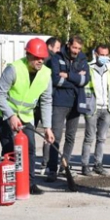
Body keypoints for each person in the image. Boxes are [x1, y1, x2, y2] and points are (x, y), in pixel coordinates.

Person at [0, 38, 55, 196]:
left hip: (26, 116)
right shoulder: (14, 69)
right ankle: (8, 184)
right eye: (36, 57)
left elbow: (46, 101)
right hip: (4, 113)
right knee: (10, 149)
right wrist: (10, 116)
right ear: (28, 55)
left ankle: (29, 184)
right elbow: (0, 94)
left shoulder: (46, 74)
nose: (40, 61)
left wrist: (47, 127)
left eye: (42, 58)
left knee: (30, 148)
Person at [46, 36, 90, 182]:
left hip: (76, 103)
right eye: (74, 47)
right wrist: (76, 79)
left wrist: (69, 75)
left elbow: (85, 80)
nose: (76, 51)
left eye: (79, 49)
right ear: (68, 45)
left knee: (70, 137)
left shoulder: (83, 59)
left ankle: (64, 166)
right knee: (55, 137)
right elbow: (56, 80)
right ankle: (51, 169)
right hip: (59, 102)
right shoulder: (56, 58)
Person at [80, 44, 110, 176]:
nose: (104, 57)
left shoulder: (109, 67)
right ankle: (84, 165)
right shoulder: (89, 67)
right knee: (89, 138)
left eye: (106, 55)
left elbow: (109, 86)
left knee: (102, 138)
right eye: (101, 55)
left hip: (106, 108)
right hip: (92, 108)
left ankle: (98, 164)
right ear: (96, 54)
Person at [35, 37, 61, 172]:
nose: (59, 51)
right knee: (48, 132)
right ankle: (46, 162)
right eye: (57, 48)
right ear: (50, 47)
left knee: (27, 135)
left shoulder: (39, 60)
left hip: (35, 103)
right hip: (44, 102)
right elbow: (55, 79)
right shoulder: (51, 60)